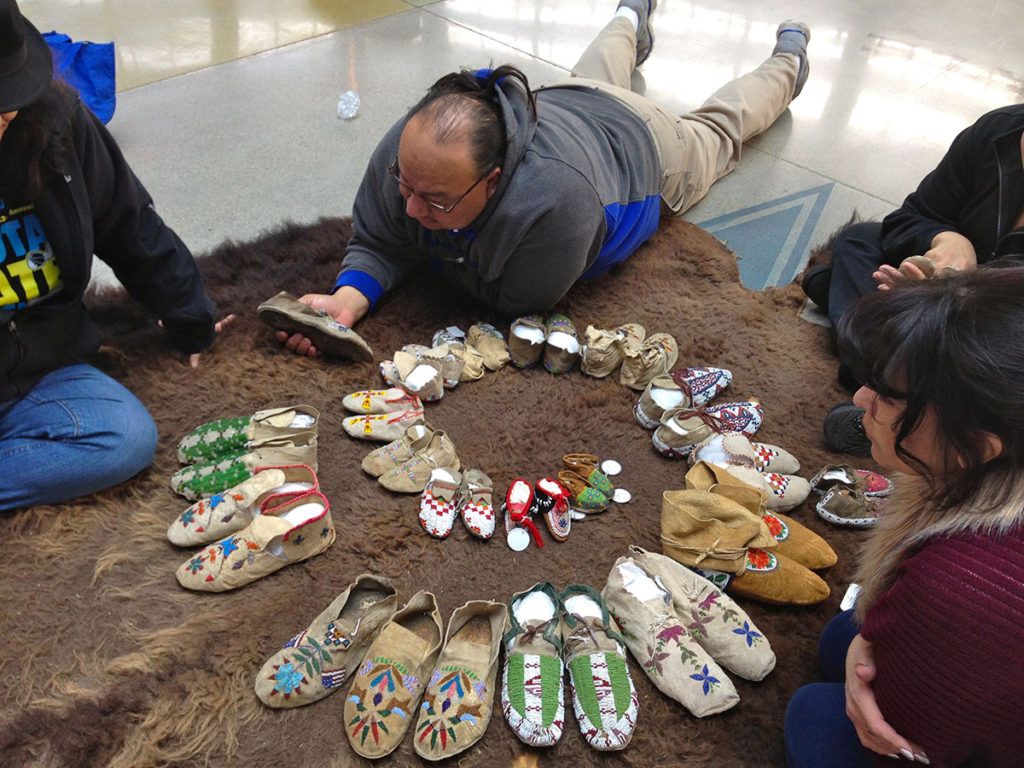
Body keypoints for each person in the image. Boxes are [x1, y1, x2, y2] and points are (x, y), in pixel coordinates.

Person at [279, 0, 811, 357]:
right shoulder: (416, 145)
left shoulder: (556, 204)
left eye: (436, 202)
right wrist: (351, 296)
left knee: (720, 128)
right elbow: (380, 236)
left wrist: (419, 253)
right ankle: (632, 12)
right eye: (405, 186)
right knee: (595, 74)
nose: (413, 208)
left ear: (492, 181)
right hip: (568, 102)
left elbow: (511, 300)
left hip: (647, 148)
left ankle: (789, 61)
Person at [784, 263, 1024, 767]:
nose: (859, 399)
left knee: (815, 716)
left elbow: (910, 744)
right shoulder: (988, 477)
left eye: (888, 395)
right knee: (843, 637)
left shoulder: (958, 586)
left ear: (973, 447)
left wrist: (876, 674)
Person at [0, 0, 230, 511]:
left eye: (7, 100)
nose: (3, 118)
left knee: (125, 439)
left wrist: (190, 318)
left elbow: (129, 224)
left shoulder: (58, 122)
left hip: (43, 367)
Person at [802, 103, 1024, 454]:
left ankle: (891, 386)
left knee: (837, 277)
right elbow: (915, 214)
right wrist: (946, 242)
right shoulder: (999, 132)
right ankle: (895, 377)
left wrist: (949, 298)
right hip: (949, 300)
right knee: (859, 239)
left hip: (996, 341)